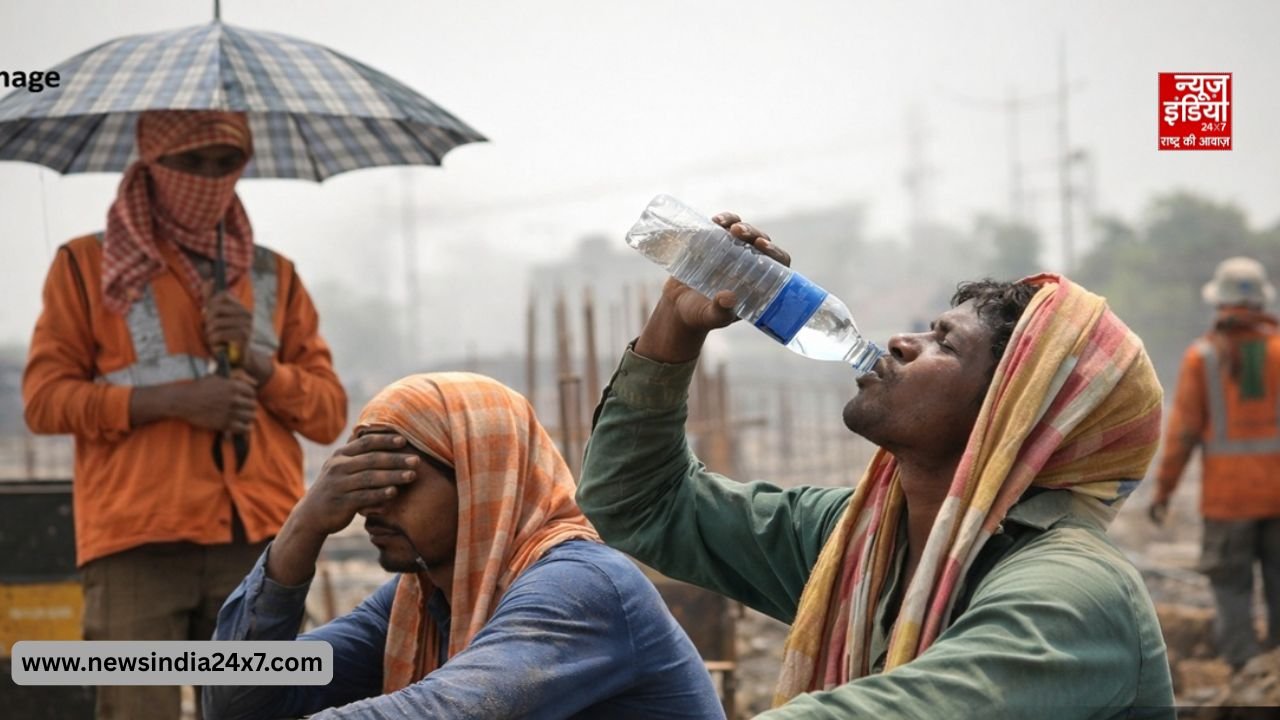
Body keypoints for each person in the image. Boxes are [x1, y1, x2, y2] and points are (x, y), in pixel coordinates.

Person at [577, 213, 1175, 718]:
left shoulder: (1074, 595)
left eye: (945, 343)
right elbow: (640, 503)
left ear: (1014, 415)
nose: (900, 341)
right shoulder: (859, 539)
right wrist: (674, 327)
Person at [22, 110, 347, 719]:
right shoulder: (84, 267)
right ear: (150, 165)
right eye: (189, 162)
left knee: (255, 709)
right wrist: (169, 403)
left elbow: (328, 414)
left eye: (226, 162)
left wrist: (259, 364)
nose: (209, 178)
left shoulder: (273, 275)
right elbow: (43, 399)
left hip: (257, 547)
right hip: (138, 543)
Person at [203, 372, 724, 720]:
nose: (371, 505)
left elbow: (444, 711)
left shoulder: (580, 586)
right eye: (359, 483)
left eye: (397, 480)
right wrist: (304, 525)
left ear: (481, 483)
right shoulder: (420, 599)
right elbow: (238, 698)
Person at [1150, 256, 1280, 669]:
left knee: (1230, 587)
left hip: (1227, 504)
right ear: (1261, 301)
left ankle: (1243, 672)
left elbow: (1183, 435)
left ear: (1219, 302)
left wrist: (1164, 491)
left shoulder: (1201, 358)